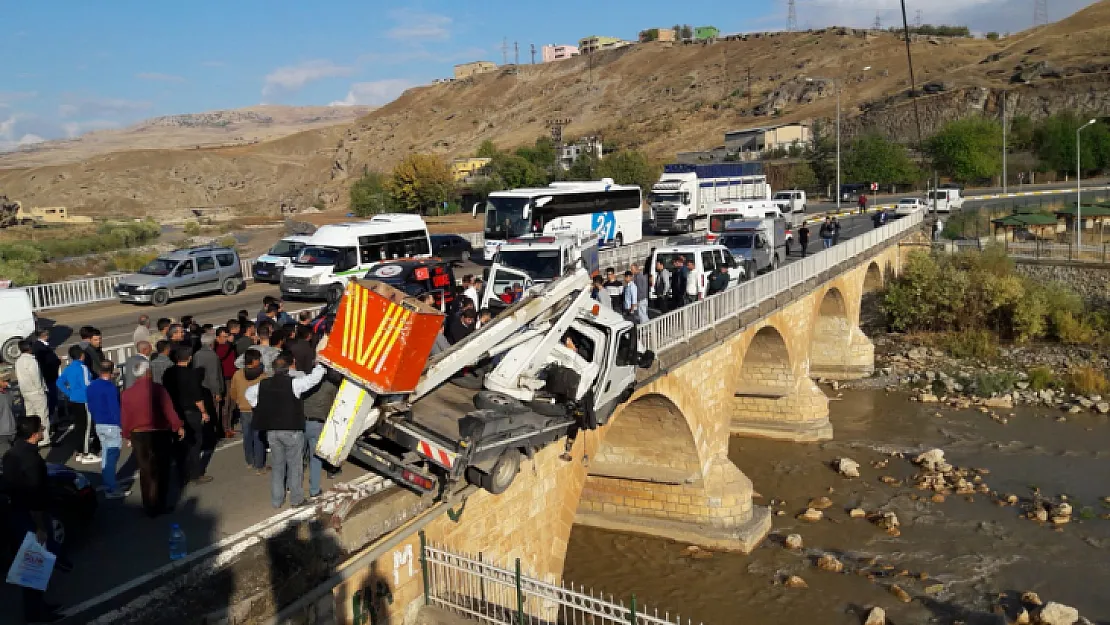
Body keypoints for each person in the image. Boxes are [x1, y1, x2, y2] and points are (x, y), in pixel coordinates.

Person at [3, 416, 67, 623]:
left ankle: (38, 606)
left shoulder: (12, 453)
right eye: (40, 429)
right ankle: (36, 612)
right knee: (36, 565)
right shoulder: (31, 460)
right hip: (31, 517)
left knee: (29, 564)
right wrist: (40, 526)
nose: (43, 431)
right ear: (33, 434)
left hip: (15, 514)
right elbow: (35, 495)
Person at [246, 349, 327, 508]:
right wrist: (320, 366)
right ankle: (296, 499)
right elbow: (312, 380)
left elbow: (248, 394)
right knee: (295, 466)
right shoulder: (294, 384)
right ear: (289, 367)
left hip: (272, 431)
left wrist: (259, 406)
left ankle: (277, 500)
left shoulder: (263, 385)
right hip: (291, 430)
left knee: (277, 466)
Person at [121, 360, 184, 517]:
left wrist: (127, 434)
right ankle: (160, 504)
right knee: (162, 469)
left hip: (138, 434)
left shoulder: (127, 393)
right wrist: (177, 426)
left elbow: (125, 416)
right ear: (148, 372)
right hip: (158, 432)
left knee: (146, 470)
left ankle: (148, 505)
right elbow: (168, 410)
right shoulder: (158, 389)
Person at [162, 347, 214, 486]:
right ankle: (195, 473)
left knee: (179, 444)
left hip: (174, 412)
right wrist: (204, 411)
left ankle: (182, 474)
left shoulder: (168, 372)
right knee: (195, 443)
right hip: (191, 412)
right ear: (189, 358)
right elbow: (197, 397)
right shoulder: (191, 375)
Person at [87, 360, 130, 499]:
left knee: (106, 455)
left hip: (99, 424)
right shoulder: (111, 388)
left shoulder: (92, 386)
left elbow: (90, 406)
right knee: (112, 456)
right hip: (111, 425)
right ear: (111, 372)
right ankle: (112, 488)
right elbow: (115, 410)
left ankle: (109, 483)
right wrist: (123, 426)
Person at [301, 366, 342, 499]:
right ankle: (314, 490)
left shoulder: (305, 384)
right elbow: (335, 406)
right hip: (317, 424)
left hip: (301, 422)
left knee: (298, 456)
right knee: (316, 458)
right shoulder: (330, 387)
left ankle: (293, 486)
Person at [229, 349, 267, 474]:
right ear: (254, 361)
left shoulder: (237, 374)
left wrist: (239, 401)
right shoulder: (262, 376)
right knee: (258, 437)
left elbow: (233, 392)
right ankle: (259, 464)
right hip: (257, 410)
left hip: (243, 409)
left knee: (247, 435)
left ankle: (249, 461)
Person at [58, 345, 97, 464]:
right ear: (82, 355)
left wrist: (69, 393)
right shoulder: (83, 367)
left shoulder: (69, 368)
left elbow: (59, 382)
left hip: (73, 400)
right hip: (84, 400)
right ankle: (86, 454)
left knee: (79, 426)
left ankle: (79, 452)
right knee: (87, 427)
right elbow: (87, 384)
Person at [192, 333, 225, 441]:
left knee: (204, 412)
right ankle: (215, 434)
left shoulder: (197, 354)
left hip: (200, 388)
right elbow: (214, 375)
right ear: (212, 344)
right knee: (214, 412)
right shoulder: (213, 356)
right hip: (211, 389)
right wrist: (218, 392)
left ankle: (207, 434)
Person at [15, 340, 49, 440]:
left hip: (25, 392)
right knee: (42, 415)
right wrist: (41, 389)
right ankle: (44, 438)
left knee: (30, 416)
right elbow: (36, 377)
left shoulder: (18, 361)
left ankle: (31, 436)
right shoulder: (31, 361)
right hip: (36, 392)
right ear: (29, 348)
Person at [32, 328, 61, 427]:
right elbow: (50, 361)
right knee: (52, 399)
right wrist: (57, 361)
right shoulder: (41, 348)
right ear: (45, 335)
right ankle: (52, 420)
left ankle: (52, 418)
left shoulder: (39, 346)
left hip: (49, 376)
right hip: (49, 377)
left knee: (52, 398)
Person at [214, 328, 238, 438]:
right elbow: (221, 355)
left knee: (232, 404)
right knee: (226, 404)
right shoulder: (219, 348)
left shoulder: (230, 346)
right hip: (225, 378)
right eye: (224, 337)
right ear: (218, 338)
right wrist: (228, 343)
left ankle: (229, 426)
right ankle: (224, 428)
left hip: (233, 377)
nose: (226, 339)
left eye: (227, 336)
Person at [0, 372, 15, 457]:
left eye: (8, 381)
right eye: (4, 381)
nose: (7, 383)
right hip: (2, 434)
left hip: (11, 430)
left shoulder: (7, 394)